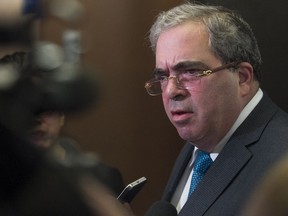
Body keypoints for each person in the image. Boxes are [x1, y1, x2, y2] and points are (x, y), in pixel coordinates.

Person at [144, 2, 288, 215]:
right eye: (163, 77)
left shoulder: (281, 163)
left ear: (242, 78)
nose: (172, 91)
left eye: (190, 71)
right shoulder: (200, 142)